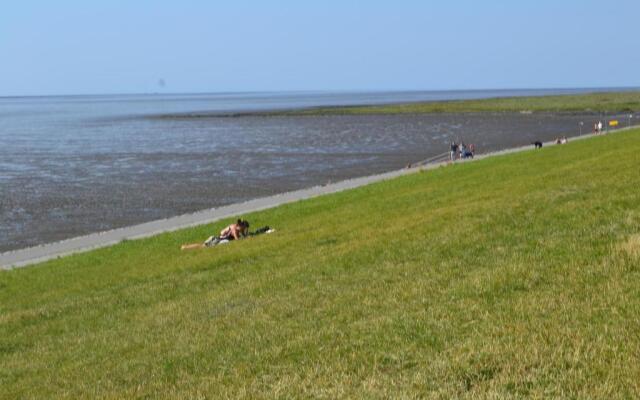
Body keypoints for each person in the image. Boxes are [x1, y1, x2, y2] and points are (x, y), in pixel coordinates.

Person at [181, 219, 250, 250]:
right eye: (244, 228)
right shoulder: (234, 230)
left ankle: (185, 247)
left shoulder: (234, 226)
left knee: (202, 245)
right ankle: (185, 247)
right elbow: (237, 240)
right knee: (202, 247)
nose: (244, 230)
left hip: (216, 238)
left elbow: (221, 232)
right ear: (241, 226)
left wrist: (245, 234)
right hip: (217, 240)